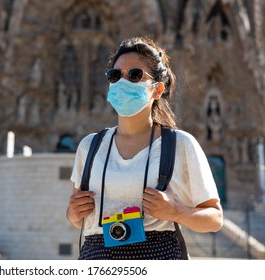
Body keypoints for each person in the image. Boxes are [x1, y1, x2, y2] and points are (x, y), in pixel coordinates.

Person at [66, 36, 223, 260]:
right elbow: (76, 218)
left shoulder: (180, 144)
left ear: (158, 89)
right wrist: (73, 213)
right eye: (115, 75)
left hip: (157, 257)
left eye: (135, 75)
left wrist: (176, 212)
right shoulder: (89, 147)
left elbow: (215, 219)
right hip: (96, 259)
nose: (123, 82)